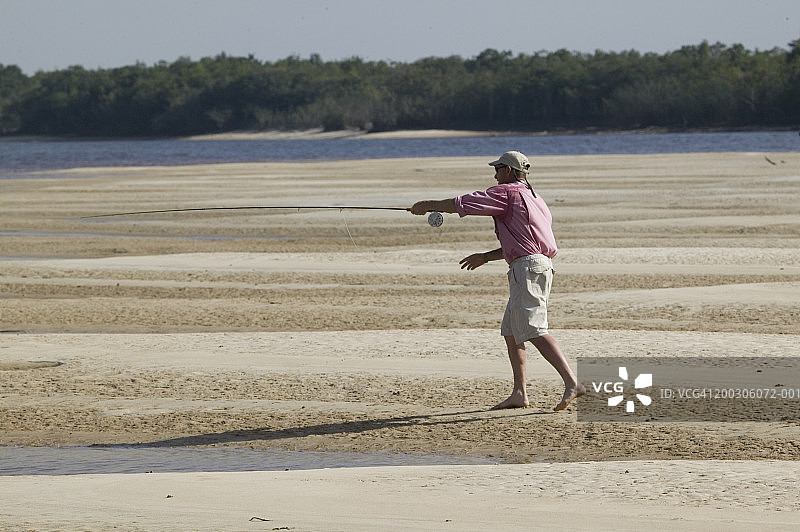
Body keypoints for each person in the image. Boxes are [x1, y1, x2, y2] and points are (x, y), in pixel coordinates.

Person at [410, 150, 585, 411]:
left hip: (527, 269)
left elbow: (465, 202)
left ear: (510, 171)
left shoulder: (508, 192)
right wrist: (485, 257)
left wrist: (428, 205)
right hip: (531, 266)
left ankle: (573, 383)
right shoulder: (535, 198)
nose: (494, 174)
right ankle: (519, 394)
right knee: (512, 331)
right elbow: (525, 243)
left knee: (533, 328)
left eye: (498, 168)